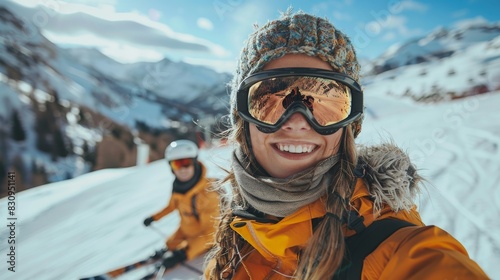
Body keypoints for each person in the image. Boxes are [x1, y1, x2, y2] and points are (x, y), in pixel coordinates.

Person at [204, 11, 489, 280]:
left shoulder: (398, 248)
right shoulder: (236, 240)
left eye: (326, 102)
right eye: (270, 100)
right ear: (242, 117)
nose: (297, 122)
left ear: (349, 125)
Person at [143, 139, 220, 270]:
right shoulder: (178, 188)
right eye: (177, 164)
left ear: (194, 163)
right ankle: (168, 250)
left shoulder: (208, 192)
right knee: (170, 243)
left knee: (177, 248)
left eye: (186, 163)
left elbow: (212, 233)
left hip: (202, 239)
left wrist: (184, 253)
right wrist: (154, 217)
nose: (182, 169)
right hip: (185, 230)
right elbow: (171, 206)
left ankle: (176, 252)